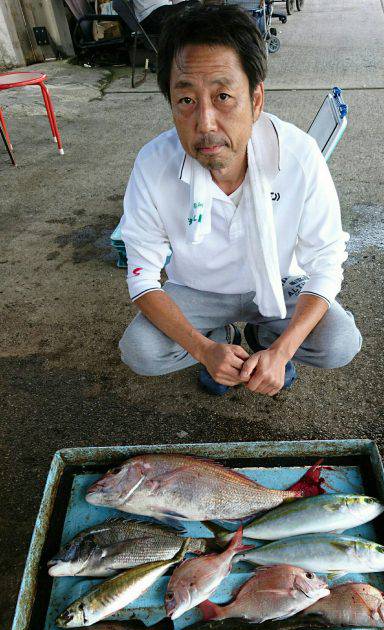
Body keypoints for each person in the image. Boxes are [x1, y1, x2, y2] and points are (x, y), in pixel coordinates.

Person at [119, 4, 362, 397]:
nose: (206, 123)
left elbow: (326, 264)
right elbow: (142, 278)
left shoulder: (298, 156)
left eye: (224, 96)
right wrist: (203, 349)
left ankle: (265, 340)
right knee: (140, 351)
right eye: (186, 100)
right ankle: (219, 340)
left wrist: (283, 352)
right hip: (197, 292)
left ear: (256, 99)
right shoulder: (152, 164)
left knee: (339, 343)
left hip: (279, 286)